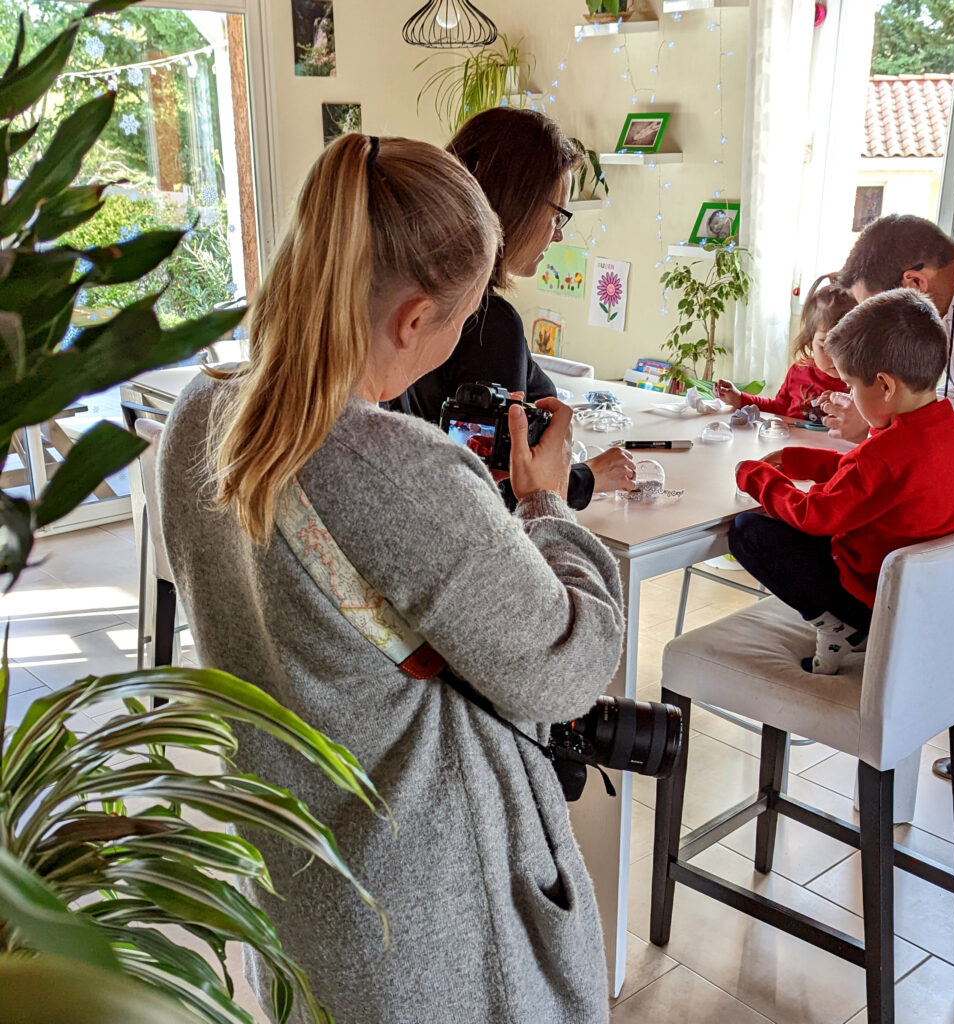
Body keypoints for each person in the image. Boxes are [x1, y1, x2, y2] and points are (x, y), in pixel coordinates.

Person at [158, 134, 625, 1024]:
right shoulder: (396, 467)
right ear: (415, 320)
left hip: (295, 872)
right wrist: (543, 508)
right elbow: (566, 668)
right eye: (465, 311)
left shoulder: (201, 413)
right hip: (421, 912)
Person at [392, 107, 636, 506]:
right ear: (517, 202)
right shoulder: (487, 322)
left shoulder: (408, 295)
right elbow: (496, 486)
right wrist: (583, 479)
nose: (557, 236)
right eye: (558, 215)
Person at [729, 289, 954, 674]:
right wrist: (799, 460)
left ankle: (841, 629)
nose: (851, 399)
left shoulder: (886, 453)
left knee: (748, 530)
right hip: (924, 605)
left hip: (873, 601)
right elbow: (863, 474)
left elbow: (815, 515)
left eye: (852, 387)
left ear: (885, 385)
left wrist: (754, 475)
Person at [821, 214, 954, 442]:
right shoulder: (951, 302)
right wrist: (888, 409)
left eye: (880, 318)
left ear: (914, 283)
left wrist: (885, 431)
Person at [715, 274, 855, 420]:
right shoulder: (798, 371)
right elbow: (778, 408)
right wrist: (739, 398)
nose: (836, 357)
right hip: (790, 441)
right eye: (825, 346)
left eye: (848, 347)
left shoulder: (861, 384)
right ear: (810, 340)